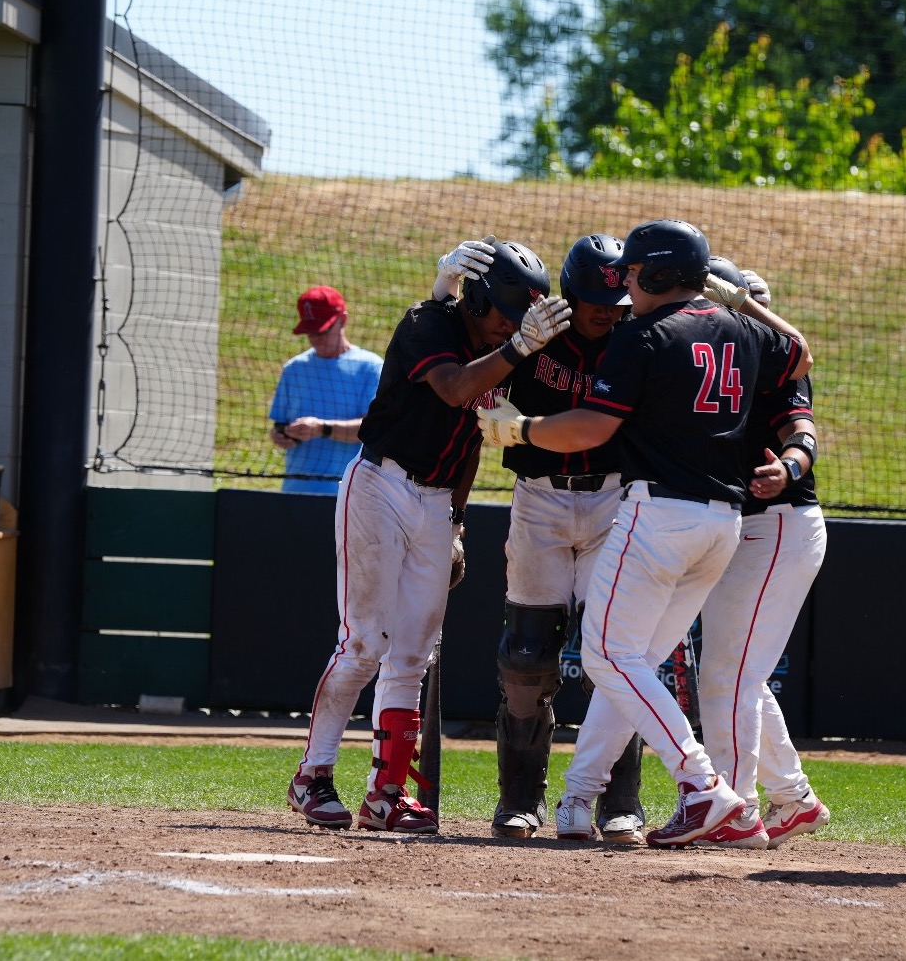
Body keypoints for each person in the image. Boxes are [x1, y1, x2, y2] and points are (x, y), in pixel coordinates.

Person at [477, 219, 813, 848]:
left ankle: (704, 787)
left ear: (660, 273)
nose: (624, 285)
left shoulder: (642, 336)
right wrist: (739, 301)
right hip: (722, 523)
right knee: (636, 662)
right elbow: (801, 352)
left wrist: (517, 432)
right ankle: (580, 798)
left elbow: (591, 431)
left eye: (634, 272)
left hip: (657, 515)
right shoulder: (740, 327)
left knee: (608, 657)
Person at [286, 241, 571, 834]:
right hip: (379, 485)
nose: (510, 327)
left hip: (437, 502)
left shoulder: (501, 350)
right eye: (504, 314)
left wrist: (458, 522)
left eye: (517, 321)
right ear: (478, 298)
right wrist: (519, 346)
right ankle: (312, 774)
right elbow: (453, 388)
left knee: (414, 652)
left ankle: (387, 792)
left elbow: (470, 447)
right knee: (364, 642)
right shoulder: (427, 322)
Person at [433, 234, 649, 842]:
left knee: (616, 654)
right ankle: (519, 800)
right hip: (540, 500)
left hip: (613, 499)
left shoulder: (637, 341)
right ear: (569, 294)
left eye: (616, 298)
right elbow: (473, 397)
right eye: (592, 299)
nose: (606, 310)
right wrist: (456, 517)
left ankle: (618, 803)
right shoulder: (534, 335)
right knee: (526, 656)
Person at [694, 257, 831, 850]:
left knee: (729, 675)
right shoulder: (710, 360)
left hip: (777, 525)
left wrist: (791, 466)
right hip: (750, 527)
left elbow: (801, 434)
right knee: (736, 672)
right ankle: (793, 798)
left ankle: (734, 808)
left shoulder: (774, 362)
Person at [269, 285, 383, 495]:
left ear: (343, 319)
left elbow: (373, 430)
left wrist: (322, 429)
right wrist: (281, 435)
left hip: (351, 497)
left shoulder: (371, 367)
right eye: (310, 332)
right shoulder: (294, 369)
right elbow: (279, 425)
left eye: (322, 330)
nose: (315, 338)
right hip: (295, 492)